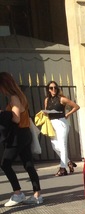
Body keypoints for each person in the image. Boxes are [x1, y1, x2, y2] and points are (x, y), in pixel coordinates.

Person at [0, 72, 43, 206]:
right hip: (24, 134)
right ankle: (37, 195)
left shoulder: (14, 98)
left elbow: (16, 117)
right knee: (28, 164)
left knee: (5, 164)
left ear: (4, 85)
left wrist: (2, 113)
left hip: (17, 135)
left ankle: (18, 193)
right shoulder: (21, 95)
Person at [43, 80, 80, 176]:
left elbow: (76, 106)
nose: (54, 89)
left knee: (62, 146)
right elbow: (47, 111)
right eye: (51, 88)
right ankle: (69, 162)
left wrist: (68, 114)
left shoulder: (62, 99)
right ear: (48, 89)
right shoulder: (47, 100)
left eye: (55, 87)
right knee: (55, 146)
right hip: (52, 123)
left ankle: (63, 168)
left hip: (61, 123)